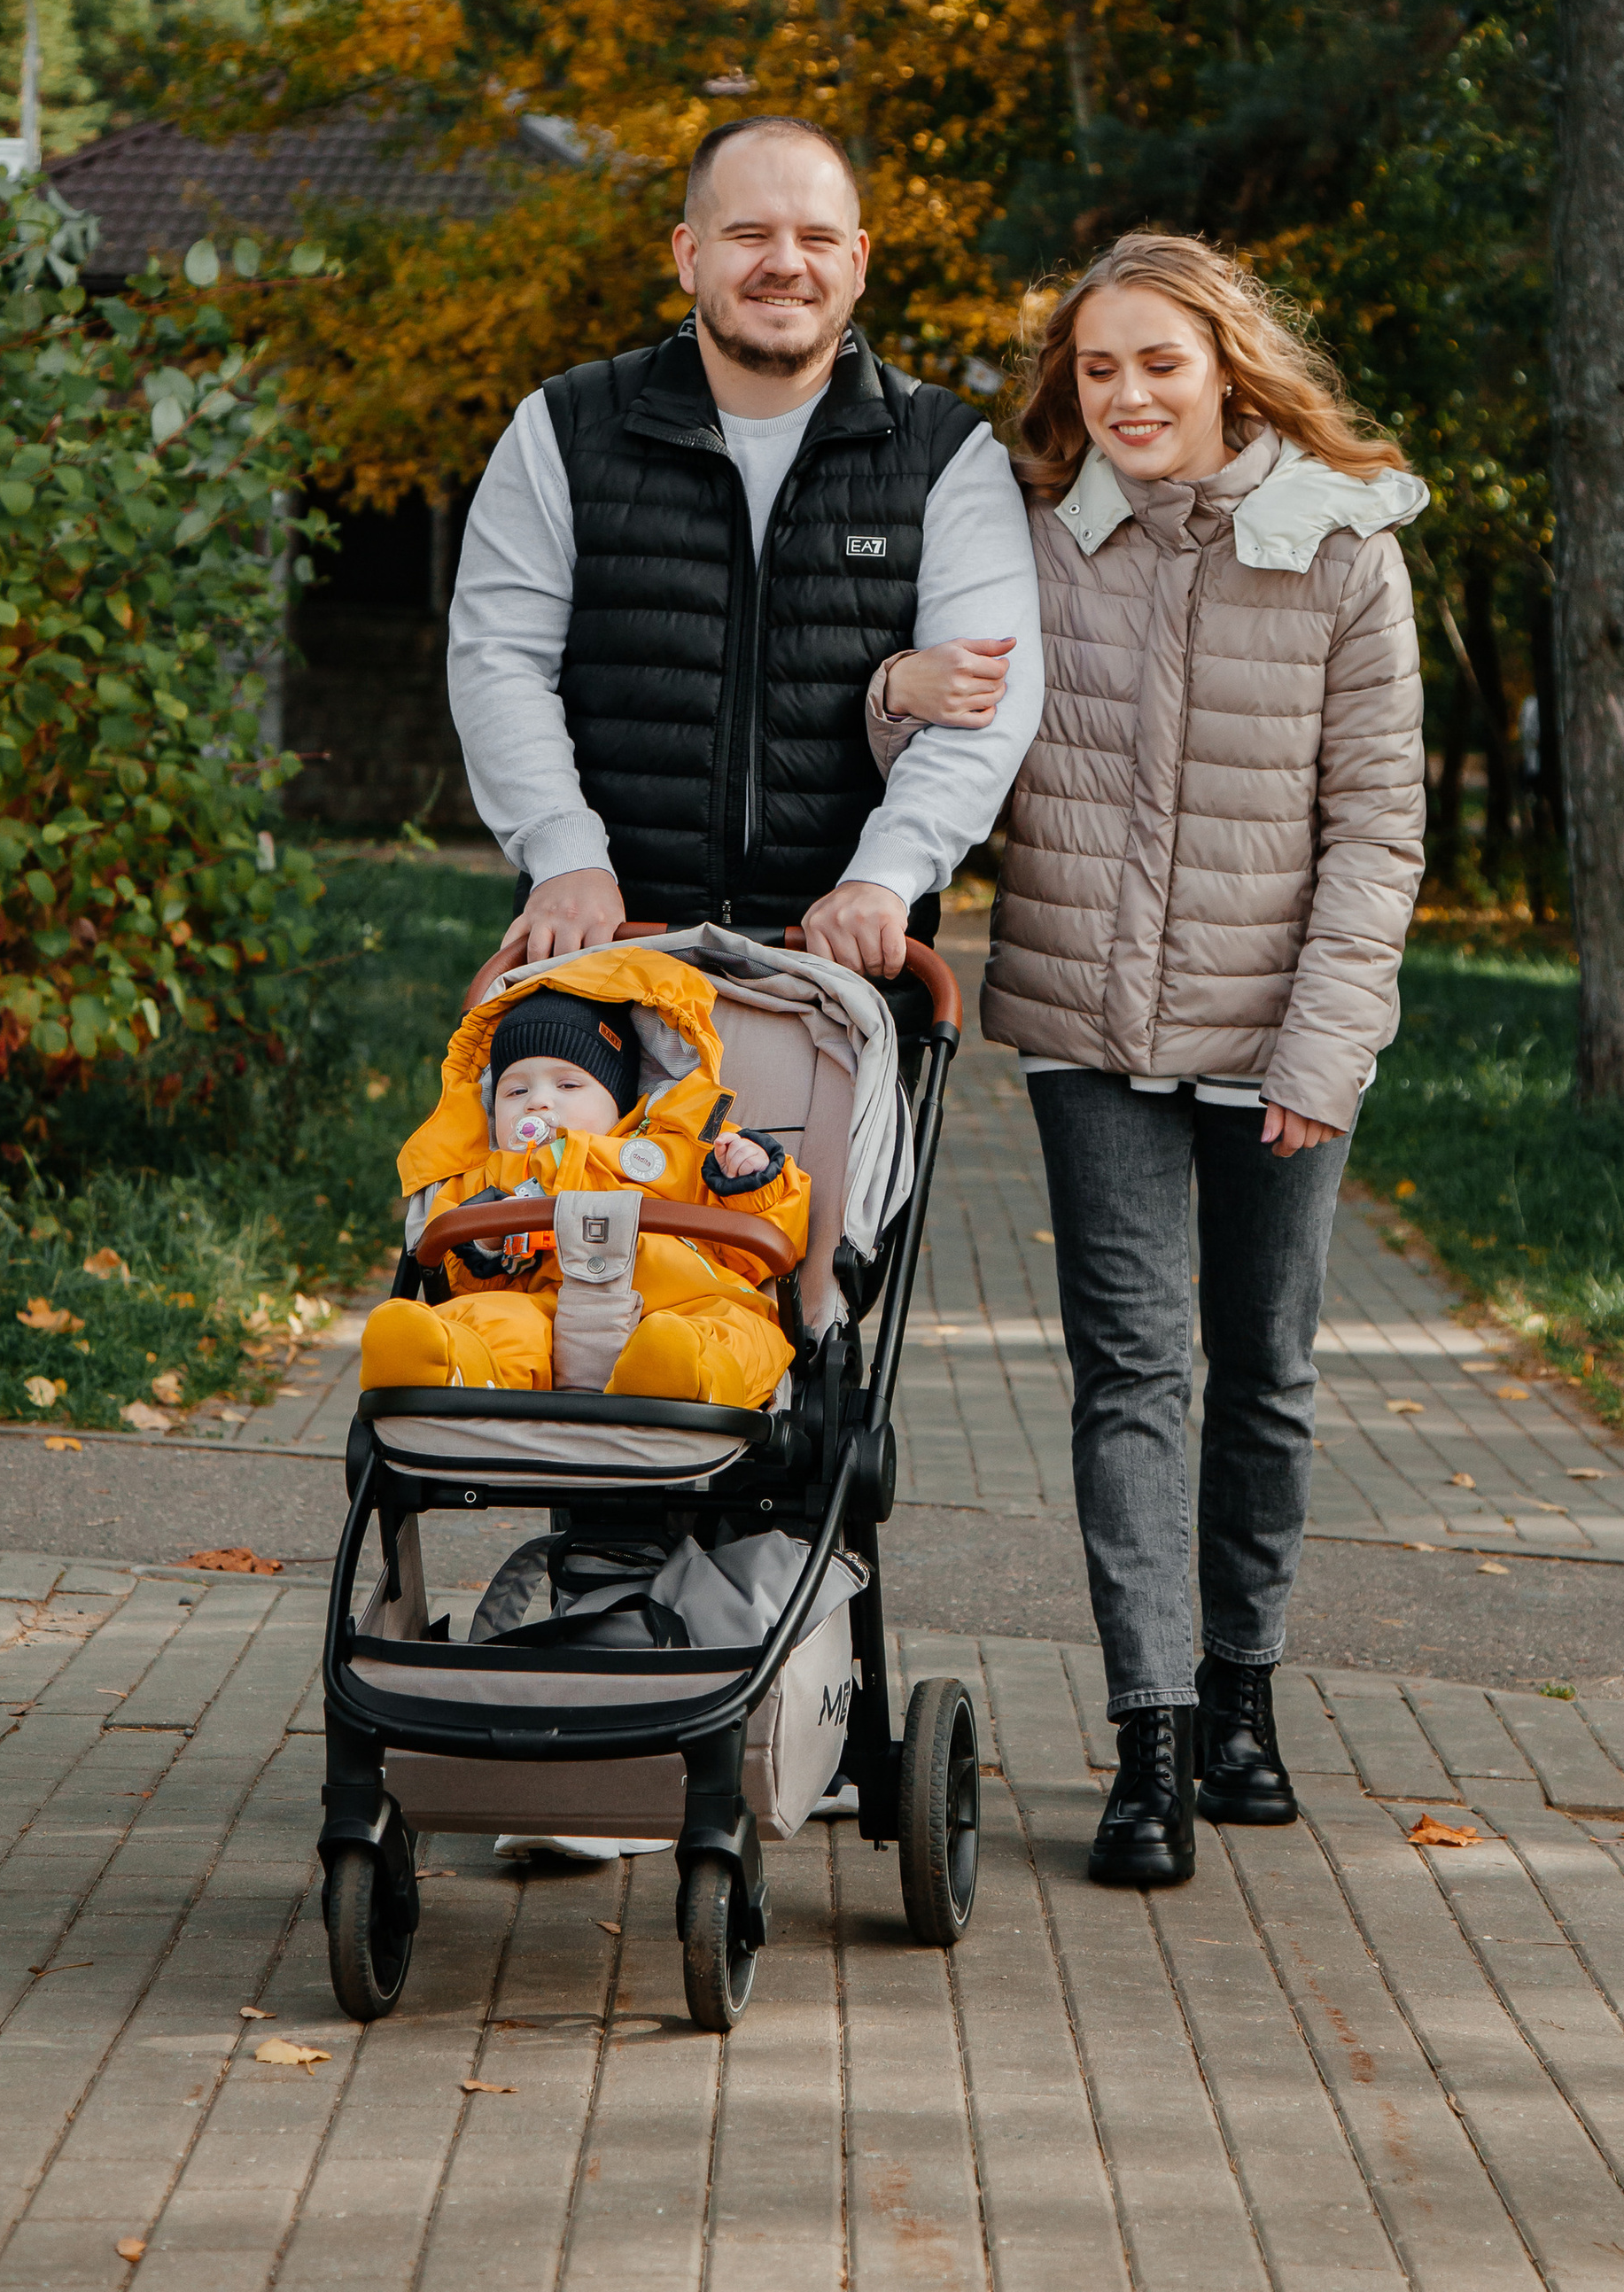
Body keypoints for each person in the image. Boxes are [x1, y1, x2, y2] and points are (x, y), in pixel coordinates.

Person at [875, 234, 1426, 1886]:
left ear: (1227, 367)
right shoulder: (1039, 548)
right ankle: (1152, 1746)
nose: (1126, 396)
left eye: (1158, 365)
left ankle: (1244, 1692)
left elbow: (1376, 831)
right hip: (1090, 1034)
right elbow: (949, 753)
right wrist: (894, 697)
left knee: (1264, 1376)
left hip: (1280, 1040)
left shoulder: (1342, 554)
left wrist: (1325, 1048)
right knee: (1135, 1377)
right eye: (1097, 370)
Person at [446, 113, 1043, 983]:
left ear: (858, 261)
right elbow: (498, 660)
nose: (785, 263)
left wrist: (886, 877)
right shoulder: (563, 429)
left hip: (841, 970)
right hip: (607, 950)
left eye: (817, 238)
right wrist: (564, 853)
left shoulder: (944, 452)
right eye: (749, 234)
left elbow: (989, 703)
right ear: (690, 254)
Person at [359, 952, 807, 1404]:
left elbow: (761, 1253)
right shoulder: (491, 1175)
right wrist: (485, 1244)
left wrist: (753, 1181)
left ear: (619, 1098)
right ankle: (447, 1364)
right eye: (516, 1091)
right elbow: (449, 1272)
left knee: (741, 1329)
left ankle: (685, 1375)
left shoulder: (685, 1147)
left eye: (568, 1086)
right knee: (489, 1319)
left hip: (676, 1301)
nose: (537, 1103)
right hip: (544, 1311)